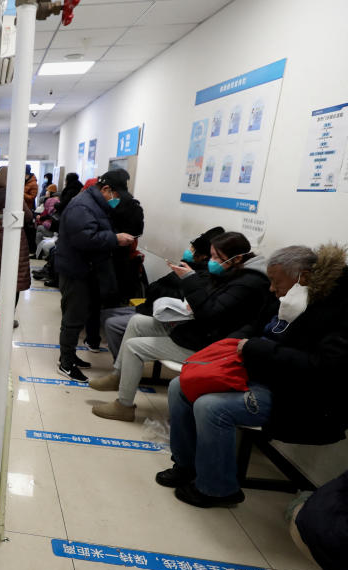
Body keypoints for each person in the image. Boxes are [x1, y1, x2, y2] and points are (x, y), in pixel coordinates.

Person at [157, 244, 348, 507]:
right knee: (180, 386)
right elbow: (256, 327)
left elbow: (326, 368)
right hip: (259, 373)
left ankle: (217, 489)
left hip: (298, 398)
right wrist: (233, 341)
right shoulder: (290, 296)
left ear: (303, 277)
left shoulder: (339, 311)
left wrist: (259, 348)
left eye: (275, 281)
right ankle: (186, 465)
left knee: (211, 407)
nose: (271, 288)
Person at [90, 231, 271, 421]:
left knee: (133, 347)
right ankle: (119, 375)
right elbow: (209, 305)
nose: (213, 261)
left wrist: (190, 280)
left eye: (218, 257)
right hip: (197, 330)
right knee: (137, 322)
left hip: (209, 346)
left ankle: (124, 406)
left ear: (238, 258)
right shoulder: (232, 273)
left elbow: (210, 314)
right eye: (212, 256)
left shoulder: (248, 283)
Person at [54, 169, 136, 381]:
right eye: (116, 196)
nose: (116, 201)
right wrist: (114, 239)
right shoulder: (82, 206)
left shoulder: (93, 204)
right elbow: (85, 239)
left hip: (85, 269)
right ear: (106, 190)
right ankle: (66, 362)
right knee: (73, 318)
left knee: (79, 315)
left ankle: (70, 355)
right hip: (76, 271)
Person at [101, 226, 225, 359]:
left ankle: (121, 363)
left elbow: (178, 298)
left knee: (112, 324)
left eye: (193, 249)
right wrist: (162, 290)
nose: (189, 251)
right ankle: (122, 359)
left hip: (164, 316)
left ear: (203, 255)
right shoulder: (186, 266)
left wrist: (161, 290)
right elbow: (153, 287)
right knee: (105, 314)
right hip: (150, 306)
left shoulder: (200, 275)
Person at [0, 166, 31, 328]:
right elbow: (28, 217)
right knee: (15, 280)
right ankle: (8, 317)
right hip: (15, 241)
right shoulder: (15, 196)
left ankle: (1, 312)